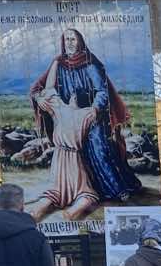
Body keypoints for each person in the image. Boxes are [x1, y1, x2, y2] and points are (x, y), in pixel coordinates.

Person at [27, 28, 144, 222]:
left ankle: (115, 189)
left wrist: (95, 109)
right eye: (66, 39)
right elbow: (39, 88)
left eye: (73, 39)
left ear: (80, 41)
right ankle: (72, 191)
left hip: (93, 115)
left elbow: (102, 91)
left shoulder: (90, 63)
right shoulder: (59, 63)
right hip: (68, 115)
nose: (70, 43)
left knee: (97, 147)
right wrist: (39, 98)